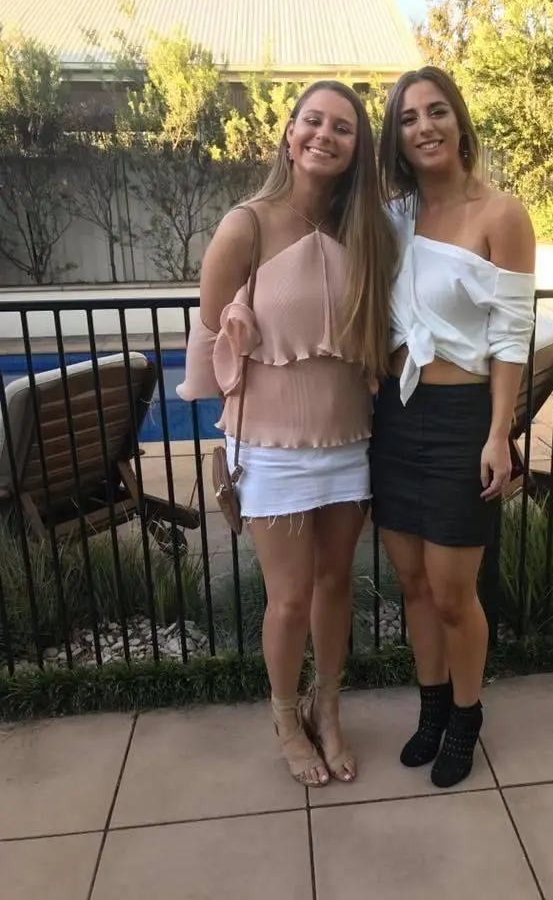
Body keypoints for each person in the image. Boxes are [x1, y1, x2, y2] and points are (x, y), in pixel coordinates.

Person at [178, 80, 397, 788]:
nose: (325, 135)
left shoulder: (366, 232)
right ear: (290, 132)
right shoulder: (246, 224)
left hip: (349, 442)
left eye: (343, 127)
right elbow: (211, 337)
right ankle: (283, 717)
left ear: (357, 147)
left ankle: (326, 708)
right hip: (271, 450)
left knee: (337, 583)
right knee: (291, 597)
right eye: (313, 121)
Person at [371, 66, 536, 788]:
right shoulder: (392, 216)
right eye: (408, 118)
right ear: (398, 138)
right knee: (412, 582)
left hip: (462, 420)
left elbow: (511, 336)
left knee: (450, 591)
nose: (424, 126)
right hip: (394, 416)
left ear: (459, 121)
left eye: (436, 111)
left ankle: (467, 716)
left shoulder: (502, 214)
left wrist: (499, 433)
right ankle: (432, 708)